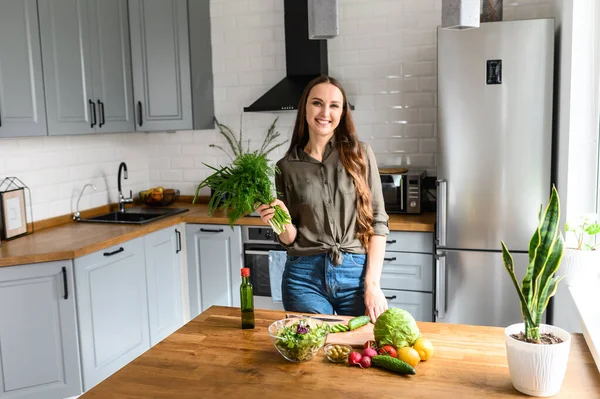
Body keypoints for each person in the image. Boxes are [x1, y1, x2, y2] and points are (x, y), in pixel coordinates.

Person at [256, 75, 389, 323]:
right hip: (303, 276)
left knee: (361, 351)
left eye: (334, 105)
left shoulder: (360, 155)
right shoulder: (285, 167)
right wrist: (278, 220)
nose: (325, 112)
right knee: (311, 352)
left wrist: (372, 285)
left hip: (355, 273)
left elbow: (378, 223)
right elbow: (290, 239)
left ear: (341, 112)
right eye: (317, 103)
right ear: (304, 108)